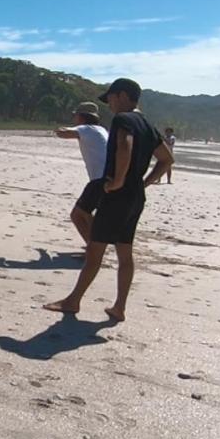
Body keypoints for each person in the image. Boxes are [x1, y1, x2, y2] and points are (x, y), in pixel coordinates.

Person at [43, 78, 173, 322]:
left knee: (95, 250)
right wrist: (142, 182)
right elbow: (167, 159)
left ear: (122, 95)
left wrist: (117, 181)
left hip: (117, 195)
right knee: (125, 253)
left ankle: (73, 302)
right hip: (136, 197)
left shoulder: (124, 120)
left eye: (111, 98)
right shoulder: (147, 123)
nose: (109, 104)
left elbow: (125, 145)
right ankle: (119, 307)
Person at [54, 102, 109, 246]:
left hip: (99, 179)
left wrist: (59, 128)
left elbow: (63, 133)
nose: (74, 118)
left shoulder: (86, 129)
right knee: (84, 213)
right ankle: (95, 244)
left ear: (81, 117)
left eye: (75, 115)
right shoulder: (101, 129)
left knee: (78, 214)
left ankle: (95, 246)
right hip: (108, 177)